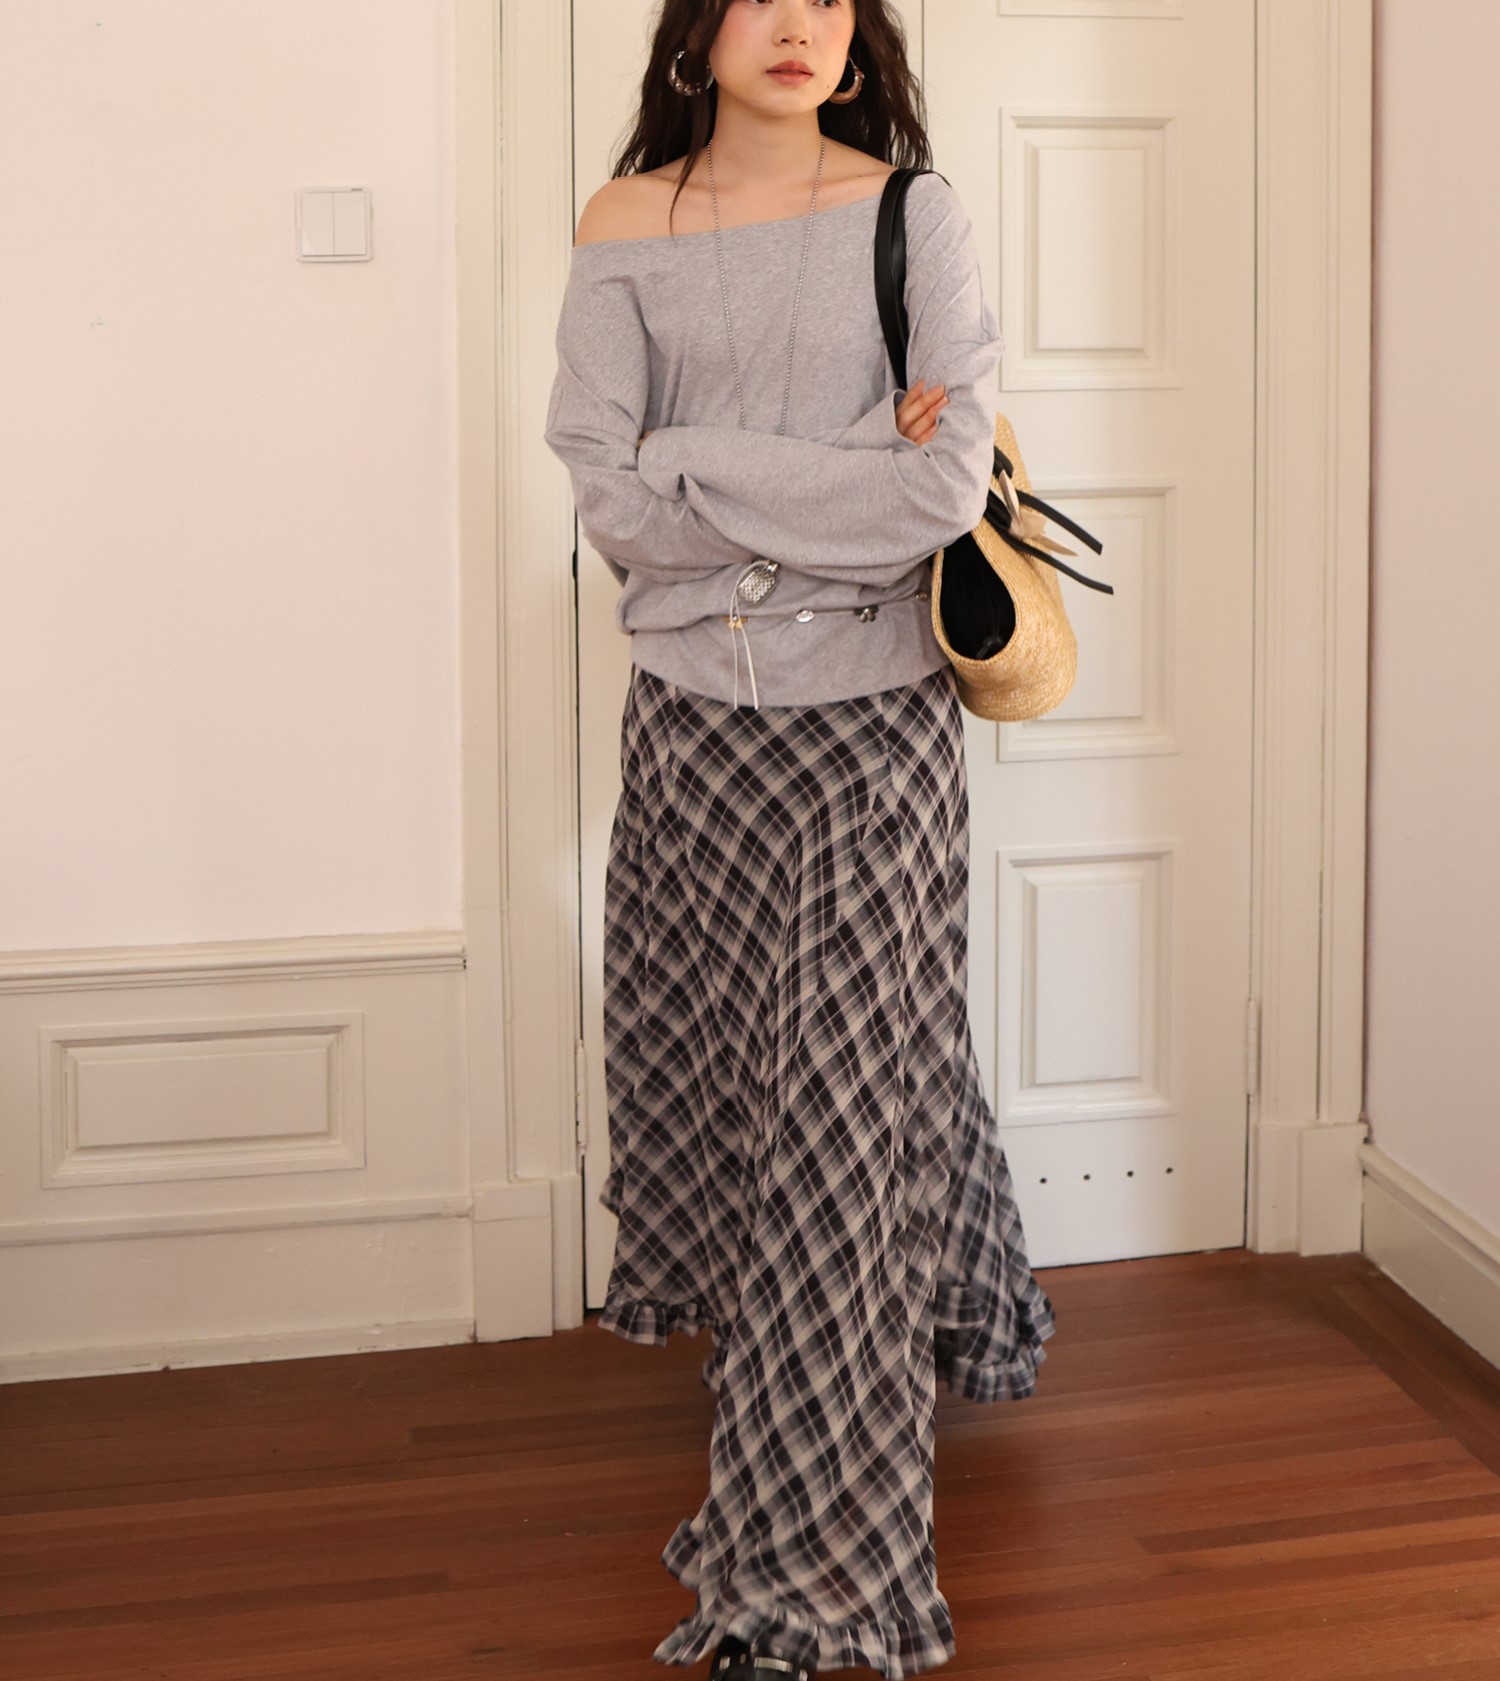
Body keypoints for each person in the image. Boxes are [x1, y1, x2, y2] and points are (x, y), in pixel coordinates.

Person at [543, 3, 1057, 1677]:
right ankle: (966, 1300)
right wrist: (816, 480)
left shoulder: (917, 214)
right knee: (771, 1099)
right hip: (695, 739)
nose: (797, 23)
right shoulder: (625, 221)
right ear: (697, 31)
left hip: (875, 740)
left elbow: (937, 490)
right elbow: (604, 495)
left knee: (835, 1148)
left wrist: (695, 465)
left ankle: (815, 1575)